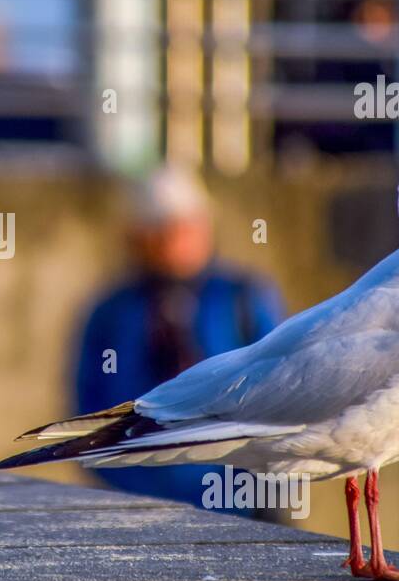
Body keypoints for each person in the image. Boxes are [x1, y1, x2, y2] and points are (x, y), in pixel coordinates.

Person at [74, 167, 284, 508]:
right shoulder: (112, 312)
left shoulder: (240, 298)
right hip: (138, 502)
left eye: (182, 226)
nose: (172, 240)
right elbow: (90, 409)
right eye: (158, 229)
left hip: (237, 504)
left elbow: (278, 396)